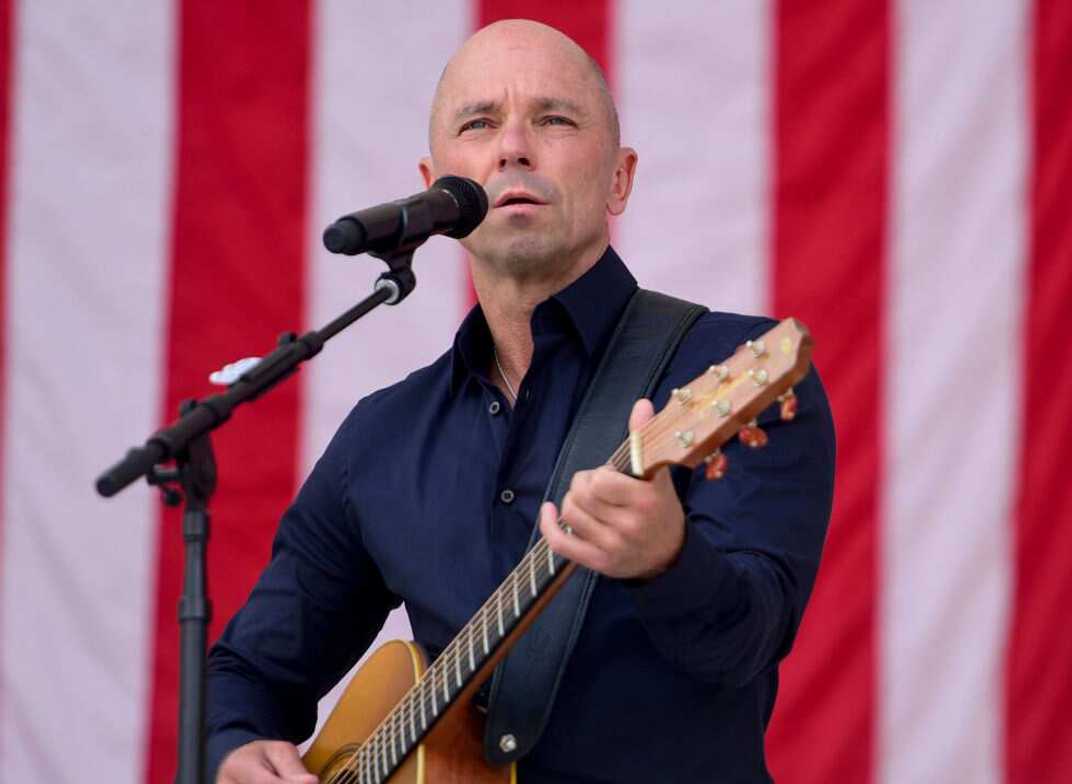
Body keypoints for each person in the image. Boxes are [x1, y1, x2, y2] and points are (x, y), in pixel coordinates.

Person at [208, 18, 835, 784]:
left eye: (554, 118)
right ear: (437, 181)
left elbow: (748, 641)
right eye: (479, 123)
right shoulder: (384, 436)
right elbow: (247, 670)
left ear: (619, 178)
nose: (511, 146)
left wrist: (666, 560)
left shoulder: (730, 370)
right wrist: (234, 743)